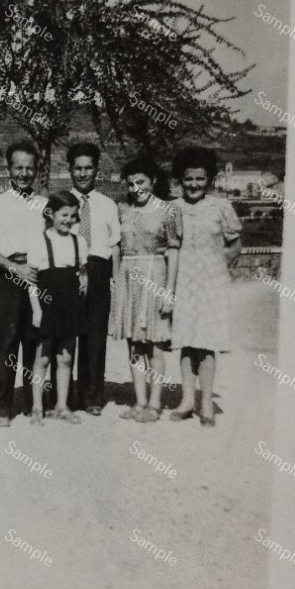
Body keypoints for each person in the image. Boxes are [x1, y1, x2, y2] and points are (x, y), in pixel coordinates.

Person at [0, 141, 46, 427]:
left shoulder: (45, 206)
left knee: (34, 340)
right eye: (19, 167)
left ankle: (32, 403)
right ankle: (0, 406)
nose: (24, 173)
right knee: (6, 340)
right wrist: (16, 268)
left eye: (29, 168)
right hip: (7, 276)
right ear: (9, 169)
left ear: (36, 170)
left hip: (37, 278)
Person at [169, 147, 242, 427]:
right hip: (183, 282)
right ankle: (187, 400)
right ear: (181, 179)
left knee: (207, 343)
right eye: (189, 179)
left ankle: (206, 401)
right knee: (187, 342)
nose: (195, 184)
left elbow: (234, 243)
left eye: (200, 178)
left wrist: (218, 264)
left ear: (209, 179)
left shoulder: (221, 206)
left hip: (211, 283)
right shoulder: (173, 208)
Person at [109, 155, 181, 422]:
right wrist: (115, 276)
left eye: (141, 182)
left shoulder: (168, 211)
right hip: (128, 277)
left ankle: (155, 404)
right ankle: (139, 402)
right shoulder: (123, 210)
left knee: (156, 345)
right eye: (130, 184)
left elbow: (173, 251)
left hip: (155, 276)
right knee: (134, 345)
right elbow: (115, 245)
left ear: (153, 181)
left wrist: (169, 292)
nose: (135, 189)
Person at [67, 142, 120, 415]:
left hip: (99, 270)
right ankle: (64, 395)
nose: (83, 173)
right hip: (68, 270)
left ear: (97, 170)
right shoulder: (60, 202)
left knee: (95, 335)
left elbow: (115, 246)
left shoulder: (108, 205)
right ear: (70, 170)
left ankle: (92, 396)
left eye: (88, 168)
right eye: (78, 168)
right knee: (65, 335)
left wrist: (116, 279)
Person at [26, 192, 88, 426]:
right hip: (47, 305)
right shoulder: (39, 241)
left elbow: (82, 273)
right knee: (42, 358)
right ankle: (37, 408)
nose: (68, 220)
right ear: (51, 214)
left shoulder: (78, 241)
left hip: (70, 305)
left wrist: (82, 284)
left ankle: (62, 406)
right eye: (64, 215)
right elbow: (31, 282)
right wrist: (37, 310)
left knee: (66, 357)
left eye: (73, 216)